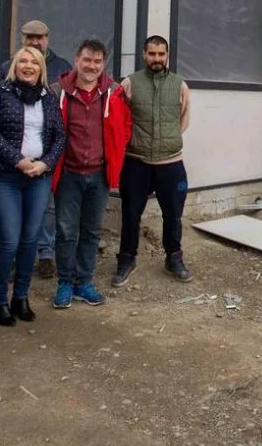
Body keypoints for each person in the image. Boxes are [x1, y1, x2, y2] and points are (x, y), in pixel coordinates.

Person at [0, 47, 65, 325]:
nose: (28, 66)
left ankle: (21, 296)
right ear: (14, 65)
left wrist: (45, 164)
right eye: (23, 61)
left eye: (34, 62)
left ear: (42, 69)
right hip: (4, 177)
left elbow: (59, 136)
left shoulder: (48, 97)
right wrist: (18, 160)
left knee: (30, 240)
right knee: (9, 240)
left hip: (37, 178)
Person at [51, 39, 131, 308]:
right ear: (77, 59)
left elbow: (125, 127)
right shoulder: (58, 91)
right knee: (65, 230)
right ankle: (64, 282)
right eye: (87, 60)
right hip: (68, 175)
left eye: (97, 62)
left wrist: (116, 157)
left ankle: (83, 282)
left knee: (91, 232)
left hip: (99, 174)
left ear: (103, 64)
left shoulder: (115, 92)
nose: (92, 66)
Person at [113, 35, 193, 286]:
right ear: (144, 54)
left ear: (167, 55)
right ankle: (127, 259)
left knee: (173, 215)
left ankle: (174, 258)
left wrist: (166, 141)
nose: (156, 59)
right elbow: (119, 119)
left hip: (170, 163)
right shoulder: (129, 83)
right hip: (135, 161)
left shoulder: (179, 84)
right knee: (130, 214)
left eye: (161, 54)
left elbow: (183, 120)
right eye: (152, 54)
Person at [10, 20, 73, 279]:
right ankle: (14, 254)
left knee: (46, 206)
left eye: (40, 37)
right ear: (22, 39)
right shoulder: (10, 66)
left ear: (47, 38)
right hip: (15, 153)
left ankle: (46, 253)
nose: (35, 42)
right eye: (30, 37)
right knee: (15, 207)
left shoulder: (62, 67)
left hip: (48, 151)